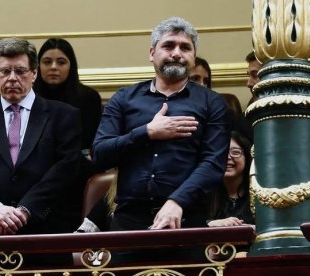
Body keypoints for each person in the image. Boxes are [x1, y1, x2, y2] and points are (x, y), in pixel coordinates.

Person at [93, 17, 230, 261]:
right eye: (169, 46)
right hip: (128, 223)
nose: (177, 53)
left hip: (187, 221)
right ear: (152, 52)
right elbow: (101, 155)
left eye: (185, 48)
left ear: (194, 57)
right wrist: (146, 132)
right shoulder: (124, 99)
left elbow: (213, 164)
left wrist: (177, 201)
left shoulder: (212, 103)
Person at [0, 37, 82, 268]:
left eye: (20, 71)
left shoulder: (64, 115)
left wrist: (25, 210)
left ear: (34, 73)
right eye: (5, 71)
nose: (12, 78)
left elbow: (65, 169)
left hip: (44, 233)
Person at [33, 38, 102, 230]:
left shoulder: (88, 98)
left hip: (76, 167)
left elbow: (90, 143)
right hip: (36, 166)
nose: (53, 67)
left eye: (61, 62)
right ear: (37, 66)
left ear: (71, 66)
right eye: (47, 62)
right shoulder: (27, 97)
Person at [208, 131, 254, 227]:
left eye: (235, 152)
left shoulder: (258, 194)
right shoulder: (204, 194)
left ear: (247, 157)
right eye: (222, 152)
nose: (228, 157)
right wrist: (210, 224)